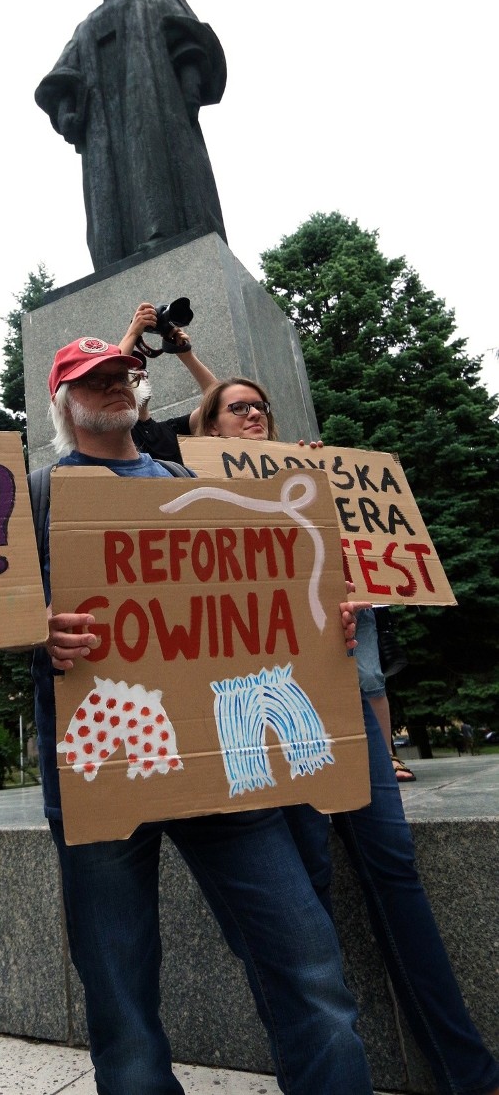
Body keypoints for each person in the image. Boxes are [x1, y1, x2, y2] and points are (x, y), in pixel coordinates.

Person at [30, 336, 373, 1095]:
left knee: (310, 967)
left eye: (124, 373)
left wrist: (326, 624)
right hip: (102, 772)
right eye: (95, 378)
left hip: (226, 763)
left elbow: (268, 607)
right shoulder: (37, 494)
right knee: (119, 998)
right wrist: (34, 628)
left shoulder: (188, 482)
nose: (117, 384)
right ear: (63, 400)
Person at [195, 377, 499, 1095]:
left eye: (261, 406)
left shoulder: (317, 490)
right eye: (238, 407)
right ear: (206, 430)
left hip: (340, 703)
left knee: (394, 869)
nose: (256, 414)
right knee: (306, 896)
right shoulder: (192, 495)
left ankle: (469, 1070)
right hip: (263, 717)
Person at [35, 0, 228, 271]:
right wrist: (66, 111)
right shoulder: (84, 29)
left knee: (155, 168)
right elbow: (63, 77)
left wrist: (190, 85)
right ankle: (113, 259)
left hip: (155, 105)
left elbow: (186, 40)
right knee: (105, 191)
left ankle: (163, 235)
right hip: (102, 130)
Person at [116, 303, 218, 463]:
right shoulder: (114, 432)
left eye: (141, 369)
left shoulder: (172, 430)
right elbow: (109, 373)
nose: (139, 372)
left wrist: (186, 354)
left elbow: (220, 400)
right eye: (129, 372)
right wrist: (133, 333)